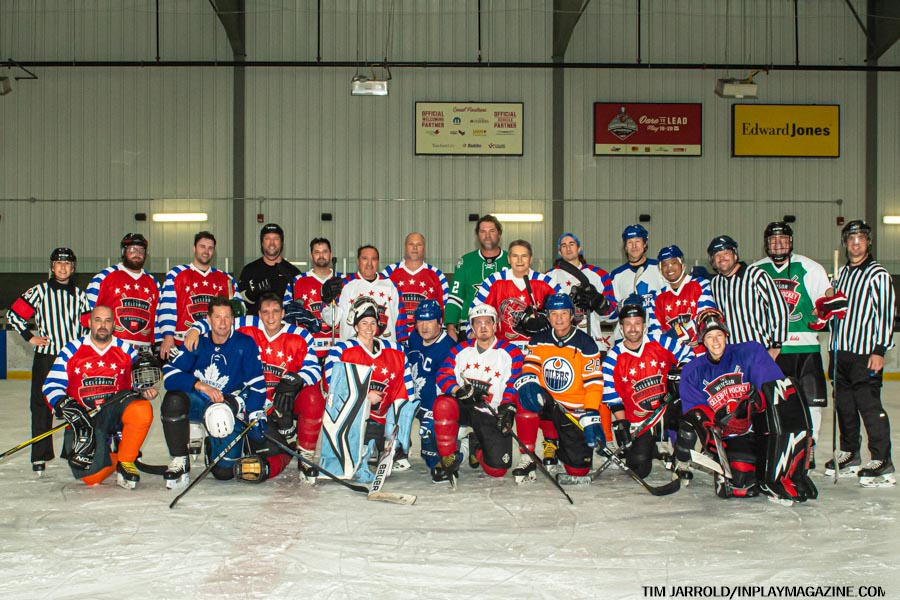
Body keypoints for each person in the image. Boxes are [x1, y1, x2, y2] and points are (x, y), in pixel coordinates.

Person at [183, 292, 325, 483]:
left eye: (276, 311)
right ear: (258, 314)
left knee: (313, 396)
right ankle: (223, 446)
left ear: (283, 313)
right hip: (250, 405)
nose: (271, 317)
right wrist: (195, 329)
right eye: (265, 312)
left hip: (283, 402)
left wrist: (296, 379)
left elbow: (314, 369)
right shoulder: (247, 325)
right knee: (227, 470)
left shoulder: (300, 335)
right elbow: (220, 322)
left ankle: (305, 455)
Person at [677, 310, 816, 503]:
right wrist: (718, 428)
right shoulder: (692, 371)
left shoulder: (750, 352)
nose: (715, 341)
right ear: (702, 341)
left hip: (757, 429)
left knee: (788, 406)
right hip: (729, 437)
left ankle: (789, 472)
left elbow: (776, 390)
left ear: (726, 335)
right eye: (709, 337)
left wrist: (755, 404)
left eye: (719, 335)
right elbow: (697, 414)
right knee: (741, 485)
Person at [42, 306, 158, 488]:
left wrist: (144, 390)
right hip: (84, 419)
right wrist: (66, 407)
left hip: (114, 413)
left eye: (107, 321)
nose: (102, 325)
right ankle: (117, 458)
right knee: (92, 478)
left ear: (114, 325)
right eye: (98, 320)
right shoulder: (72, 349)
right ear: (89, 323)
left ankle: (126, 460)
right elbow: (51, 385)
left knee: (141, 409)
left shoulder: (126, 350)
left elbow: (137, 382)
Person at [159, 297, 266, 488]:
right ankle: (180, 459)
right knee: (174, 400)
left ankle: (212, 446)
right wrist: (199, 385)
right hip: (199, 401)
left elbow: (257, 385)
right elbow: (169, 374)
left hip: (226, 408)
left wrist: (251, 412)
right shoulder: (197, 341)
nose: (222, 322)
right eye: (217, 317)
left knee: (224, 473)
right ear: (208, 319)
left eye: (227, 317)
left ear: (233, 319)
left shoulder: (245, 344)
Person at [752, 222, 831, 466]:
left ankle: (809, 446)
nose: (778, 245)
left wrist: (830, 305)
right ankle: (780, 447)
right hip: (772, 351)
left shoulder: (810, 267)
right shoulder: (755, 271)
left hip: (806, 349)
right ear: (766, 243)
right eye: (773, 240)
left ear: (791, 241)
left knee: (812, 402)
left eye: (783, 240)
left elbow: (826, 298)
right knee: (773, 402)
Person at [824, 220, 896, 487]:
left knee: (869, 406)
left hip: (865, 353)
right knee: (844, 405)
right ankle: (850, 453)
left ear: (868, 242)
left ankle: (882, 459)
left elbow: (886, 314)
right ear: (845, 243)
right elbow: (834, 311)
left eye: (861, 238)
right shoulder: (840, 274)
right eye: (851, 239)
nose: (856, 243)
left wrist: (879, 350)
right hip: (839, 350)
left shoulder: (878, 274)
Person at [8, 248, 91, 474]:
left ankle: (72, 450)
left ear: (73, 268)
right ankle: (40, 456)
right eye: (58, 263)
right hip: (47, 357)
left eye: (67, 264)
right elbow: (14, 315)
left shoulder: (80, 294)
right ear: (52, 267)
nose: (63, 267)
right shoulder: (40, 291)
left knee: (75, 404)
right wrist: (30, 337)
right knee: (41, 406)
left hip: (72, 359)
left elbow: (88, 325)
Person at [513, 294, 605, 485]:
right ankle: (529, 455)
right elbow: (530, 368)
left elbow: (594, 383)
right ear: (547, 316)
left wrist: (591, 412)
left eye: (564, 313)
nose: (559, 318)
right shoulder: (539, 339)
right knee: (525, 395)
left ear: (572, 315)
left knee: (578, 470)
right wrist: (529, 381)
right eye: (554, 313)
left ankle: (558, 444)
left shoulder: (586, 343)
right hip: (548, 402)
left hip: (573, 410)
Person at [601, 296, 692, 479]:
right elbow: (612, 396)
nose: (633, 328)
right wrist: (622, 424)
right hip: (639, 422)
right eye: (628, 324)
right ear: (621, 327)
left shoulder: (660, 342)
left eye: (637, 323)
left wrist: (680, 373)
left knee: (689, 415)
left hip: (665, 409)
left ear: (644, 325)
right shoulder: (613, 358)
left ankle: (682, 459)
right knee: (639, 469)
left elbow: (687, 354)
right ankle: (652, 447)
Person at [433, 304, 524, 485]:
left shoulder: (511, 352)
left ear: (495, 325)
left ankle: (476, 446)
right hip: (465, 407)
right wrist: (459, 390)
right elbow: (442, 375)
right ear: (472, 327)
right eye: (478, 323)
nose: (483, 327)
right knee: (443, 403)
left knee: (497, 469)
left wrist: (507, 407)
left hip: (491, 412)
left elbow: (514, 383)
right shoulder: (460, 349)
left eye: (487, 322)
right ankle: (448, 457)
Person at [325, 297, 415, 469]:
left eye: (373, 323)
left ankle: (393, 447)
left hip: (385, 419)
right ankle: (366, 446)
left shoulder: (396, 351)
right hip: (354, 420)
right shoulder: (340, 352)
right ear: (356, 326)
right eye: (364, 323)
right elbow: (333, 389)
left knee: (395, 426)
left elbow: (406, 391)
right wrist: (364, 396)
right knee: (367, 439)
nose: (369, 328)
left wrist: (402, 420)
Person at [156, 231, 241, 359]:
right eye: (202, 247)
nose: (206, 251)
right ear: (194, 248)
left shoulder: (226, 279)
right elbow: (167, 308)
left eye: (210, 248)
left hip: (215, 345)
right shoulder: (176, 274)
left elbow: (238, 312)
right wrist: (168, 337)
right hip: (182, 343)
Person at [707, 234, 789, 359]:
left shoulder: (756, 275)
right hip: (732, 354)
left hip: (759, 351)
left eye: (726, 253)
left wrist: (776, 345)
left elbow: (779, 308)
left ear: (735, 255)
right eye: (717, 255)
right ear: (712, 260)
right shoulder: (715, 283)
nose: (722, 258)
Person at [471, 239, 559, 349]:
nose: (519, 260)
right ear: (508, 259)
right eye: (515, 256)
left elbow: (564, 310)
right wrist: (472, 332)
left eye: (524, 256)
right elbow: (474, 310)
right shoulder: (493, 281)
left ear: (531, 259)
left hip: (539, 346)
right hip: (502, 348)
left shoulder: (546, 282)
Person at [86, 233, 161, 351]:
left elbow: (157, 317)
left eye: (141, 250)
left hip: (144, 351)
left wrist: (158, 342)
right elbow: (87, 314)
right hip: (112, 348)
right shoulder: (103, 277)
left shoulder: (154, 283)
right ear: (123, 252)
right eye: (133, 249)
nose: (137, 254)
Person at [406, 299, 456, 472]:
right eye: (420, 321)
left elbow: (447, 387)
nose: (424, 326)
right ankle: (398, 450)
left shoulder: (448, 347)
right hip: (413, 401)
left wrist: (433, 413)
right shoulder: (414, 337)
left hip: (434, 406)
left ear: (440, 322)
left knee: (432, 460)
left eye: (429, 321)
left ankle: (463, 444)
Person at [547, 232, 617, 352]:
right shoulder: (549, 277)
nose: (568, 248)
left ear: (579, 248)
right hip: (559, 345)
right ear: (559, 252)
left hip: (593, 343)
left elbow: (613, 315)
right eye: (564, 245)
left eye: (572, 244)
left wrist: (599, 302)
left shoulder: (599, 275)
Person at [444, 215, 510, 342]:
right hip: (469, 330)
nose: (487, 235)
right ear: (477, 235)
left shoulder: (510, 261)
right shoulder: (465, 262)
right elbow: (455, 298)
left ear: (499, 233)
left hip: (504, 330)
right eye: (483, 231)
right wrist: (450, 328)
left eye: (492, 231)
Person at [381, 232, 449, 344]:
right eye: (411, 244)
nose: (415, 248)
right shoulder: (388, 273)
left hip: (426, 341)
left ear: (424, 248)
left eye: (419, 244)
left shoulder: (437, 275)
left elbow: (445, 308)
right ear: (405, 247)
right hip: (394, 339)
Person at [284, 237, 344, 359]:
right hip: (308, 347)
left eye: (324, 251)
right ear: (311, 256)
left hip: (339, 347)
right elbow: (285, 312)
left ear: (331, 254)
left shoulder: (343, 280)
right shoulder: (298, 281)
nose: (321, 256)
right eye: (317, 252)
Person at [653, 244, 716, 356]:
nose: (669, 268)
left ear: (682, 264)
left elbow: (706, 316)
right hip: (675, 359)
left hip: (702, 356)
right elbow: (655, 333)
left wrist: (677, 332)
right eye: (665, 265)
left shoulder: (701, 285)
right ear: (660, 269)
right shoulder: (657, 297)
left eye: (673, 262)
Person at [609, 224, 667, 332]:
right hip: (627, 336)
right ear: (625, 247)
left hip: (657, 334)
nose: (634, 246)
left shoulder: (660, 268)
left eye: (638, 241)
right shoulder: (616, 275)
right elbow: (609, 316)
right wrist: (623, 305)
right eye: (630, 242)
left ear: (645, 244)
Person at [337, 245, 400, 341]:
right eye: (365, 259)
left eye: (373, 259)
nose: (369, 264)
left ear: (378, 262)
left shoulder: (391, 286)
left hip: (385, 347)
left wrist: (401, 341)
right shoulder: (344, 285)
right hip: (353, 347)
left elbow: (400, 320)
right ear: (358, 261)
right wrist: (328, 301)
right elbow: (331, 320)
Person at [238, 223, 301, 316]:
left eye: (276, 239)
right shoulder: (249, 270)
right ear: (262, 243)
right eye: (267, 239)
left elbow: (300, 305)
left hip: (285, 323)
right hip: (256, 323)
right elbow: (238, 304)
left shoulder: (293, 272)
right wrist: (250, 295)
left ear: (282, 243)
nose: (272, 243)